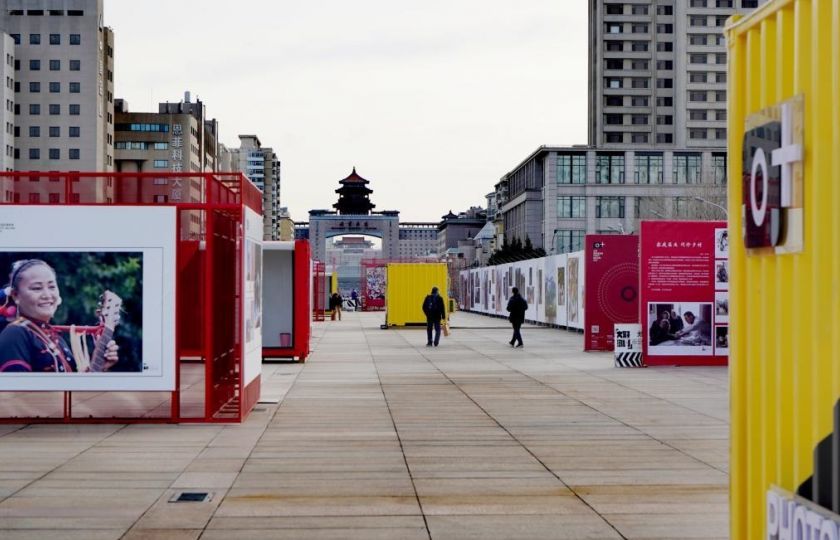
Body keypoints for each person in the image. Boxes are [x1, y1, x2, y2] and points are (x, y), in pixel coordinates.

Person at [0, 259, 119, 373]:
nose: (47, 295)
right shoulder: (14, 334)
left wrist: (100, 366)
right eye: (37, 288)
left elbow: (72, 392)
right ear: (15, 295)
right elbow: (16, 393)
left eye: (52, 287)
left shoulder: (56, 339)